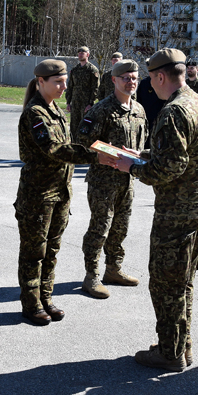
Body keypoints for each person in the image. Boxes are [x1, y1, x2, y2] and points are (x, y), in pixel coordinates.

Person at [108, 48, 198, 373]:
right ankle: (180, 345)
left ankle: (170, 353)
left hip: (179, 212)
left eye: (150, 80)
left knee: (165, 282)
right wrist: (141, 153)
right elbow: (183, 153)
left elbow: (168, 169)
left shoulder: (174, 112)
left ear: (160, 77)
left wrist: (132, 167)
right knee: (183, 281)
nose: (149, 87)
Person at [15, 59, 98, 326]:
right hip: (38, 196)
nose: (64, 86)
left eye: (65, 81)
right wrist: (96, 156)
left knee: (52, 250)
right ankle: (31, 304)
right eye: (58, 82)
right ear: (41, 82)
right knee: (34, 252)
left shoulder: (55, 109)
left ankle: (45, 298)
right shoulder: (35, 113)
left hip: (59, 194)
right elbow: (55, 149)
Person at [77, 59, 147, 299]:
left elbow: (141, 144)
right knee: (100, 228)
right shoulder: (101, 110)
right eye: (126, 77)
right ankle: (91, 276)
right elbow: (82, 141)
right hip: (103, 181)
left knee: (121, 227)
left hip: (128, 180)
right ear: (114, 80)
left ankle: (113, 269)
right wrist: (102, 155)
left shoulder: (139, 110)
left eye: (134, 78)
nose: (131, 82)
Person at [65, 46, 99, 141]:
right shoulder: (75, 70)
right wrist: (68, 102)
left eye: (82, 52)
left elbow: (95, 88)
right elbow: (70, 86)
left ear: (87, 54)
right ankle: (73, 147)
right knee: (74, 127)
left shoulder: (92, 70)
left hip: (86, 104)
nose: (80, 54)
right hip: (75, 103)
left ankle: (84, 148)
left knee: (85, 127)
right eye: (79, 53)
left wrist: (90, 103)